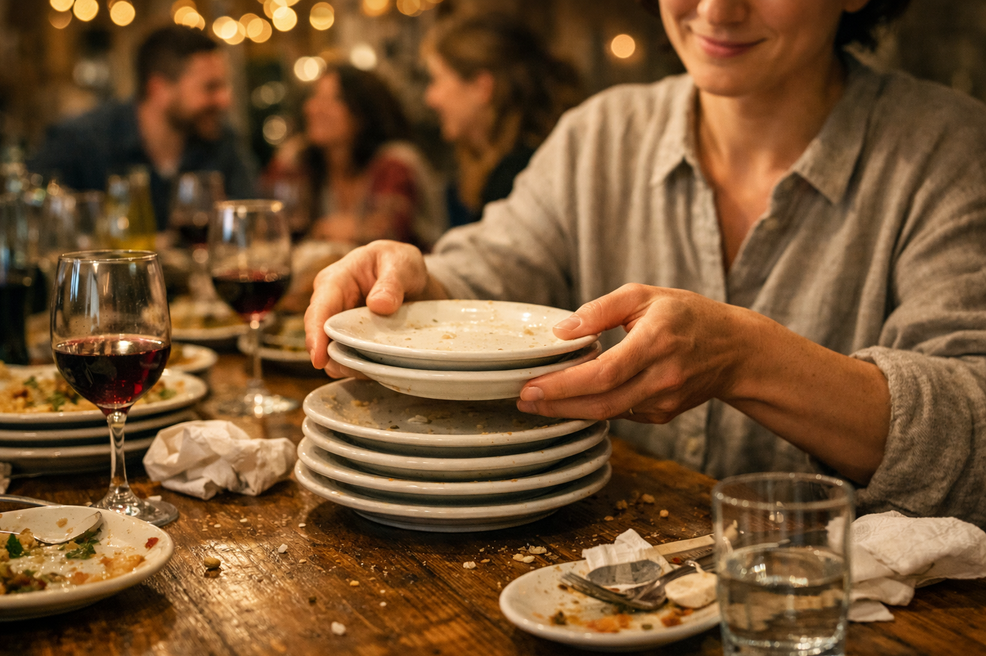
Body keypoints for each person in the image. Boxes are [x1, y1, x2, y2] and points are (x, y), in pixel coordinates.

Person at [304, 0, 986, 529]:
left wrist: (748, 358)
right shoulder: (599, 134)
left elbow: (974, 440)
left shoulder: (947, 150)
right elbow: (490, 272)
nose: (716, 11)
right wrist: (411, 281)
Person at [29, 25, 256, 230]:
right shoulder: (80, 141)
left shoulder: (221, 140)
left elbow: (252, 220)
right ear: (159, 89)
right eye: (210, 87)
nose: (226, 100)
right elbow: (33, 216)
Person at [422, 13, 582, 228]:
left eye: (437, 79)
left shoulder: (517, 177)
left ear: (482, 87)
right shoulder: (521, 161)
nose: (430, 98)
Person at [265, 65, 445, 249]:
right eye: (315, 97)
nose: (314, 108)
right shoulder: (302, 160)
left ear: (362, 113)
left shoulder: (396, 161)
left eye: (332, 99)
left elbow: (391, 232)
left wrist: (345, 229)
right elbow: (270, 222)